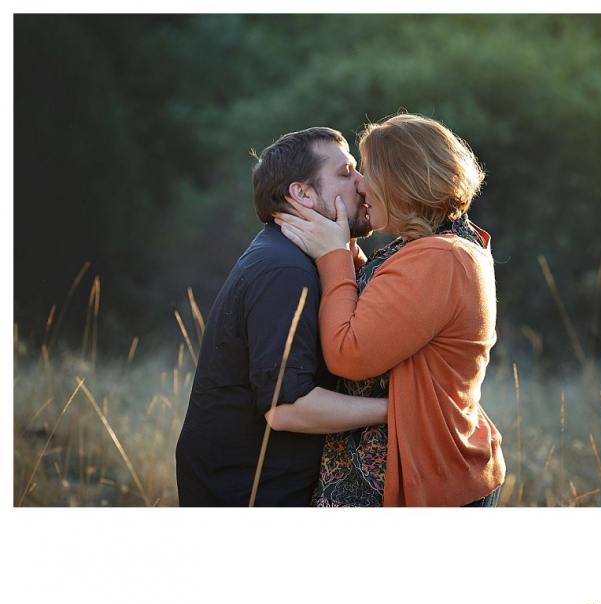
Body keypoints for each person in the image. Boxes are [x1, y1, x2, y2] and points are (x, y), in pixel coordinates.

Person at [271, 113, 505, 506]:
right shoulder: (434, 244)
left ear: (402, 184)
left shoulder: (439, 258)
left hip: (427, 475)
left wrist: (333, 257)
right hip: (424, 460)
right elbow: (388, 307)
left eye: (368, 173)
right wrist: (344, 249)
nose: (359, 184)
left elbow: (351, 353)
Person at [175, 126, 389, 506]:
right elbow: (288, 407)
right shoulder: (284, 271)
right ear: (302, 193)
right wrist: (402, 410)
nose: (362, 183)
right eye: (346, 172)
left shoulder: (294, 257)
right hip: (249, 495)